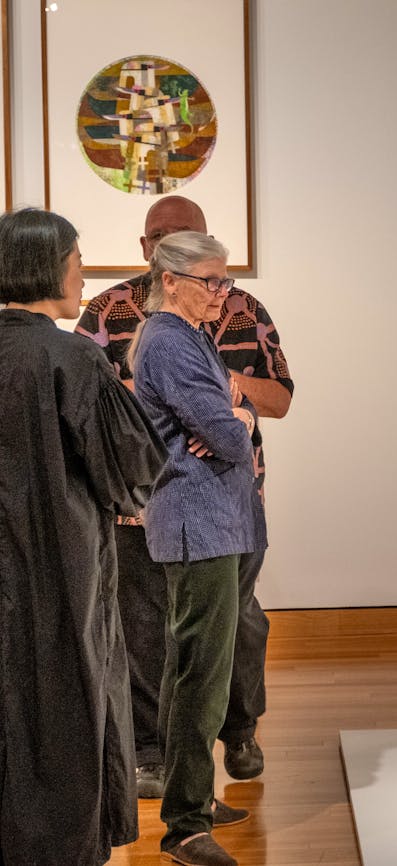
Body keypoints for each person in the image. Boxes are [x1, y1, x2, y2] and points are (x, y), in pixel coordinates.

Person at [76, 195, 294, 796]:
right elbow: (88, 403)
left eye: (182, 234)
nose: (164, 244)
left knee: (233, 629)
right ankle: (159, 760)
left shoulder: (240, 309)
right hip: (145, 502)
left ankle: (240, 730)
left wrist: (228, 396)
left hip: (229, 499)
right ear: (154, 258)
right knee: (153, 634)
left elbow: (276, 397)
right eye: (157, 237)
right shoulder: (109, 310)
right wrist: (213, 413)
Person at [0, 207, 166, 866]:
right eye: (77, 260)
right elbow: (132, 468)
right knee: (64, 706)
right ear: (51, 266)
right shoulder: (70, 356)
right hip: (58, 574)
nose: (83, 274)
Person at [130, 230, 267, 866]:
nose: (224, 293)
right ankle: (184, 828)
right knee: (199, 678)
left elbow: (234, 420)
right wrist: (234, 422)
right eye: (212, 282)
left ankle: (194, 798)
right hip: (198, 524)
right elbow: (231, 436)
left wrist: (236, 416)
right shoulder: (167, 341)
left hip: (215, 523)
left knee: (192, 668)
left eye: (227, 281)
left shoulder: (189, 336)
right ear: (173, 279)